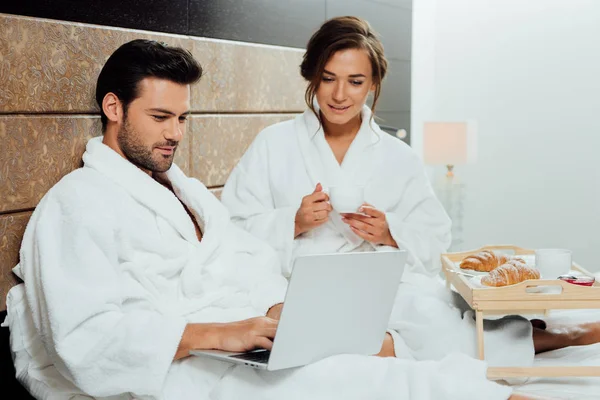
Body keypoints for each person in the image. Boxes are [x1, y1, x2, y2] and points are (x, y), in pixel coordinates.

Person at [4, 39, 535, 400]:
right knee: (356, 379)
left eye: (183, 118)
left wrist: (275, 306)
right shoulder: (76, 204)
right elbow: (84, 341)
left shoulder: (181, 189)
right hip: (179, 363)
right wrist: (219, 332)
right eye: (160, 118)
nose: (176, 134)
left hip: (242, 332)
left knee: (397, 353)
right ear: (113, 108)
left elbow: (242, 254)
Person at [221, 16, 600, 373]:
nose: (339, 94)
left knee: (435, 324)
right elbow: (228, 230)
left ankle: (550, 335)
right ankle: (389, 345)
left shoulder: (397, 156)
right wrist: (293, 221)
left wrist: (389, 232)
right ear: (312, 78)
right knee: (310, 329)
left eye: (355, 81)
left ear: (372, 84)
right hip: (294, 282)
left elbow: (436, 236)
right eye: (328, 78)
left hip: (381, 283)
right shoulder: (273, 144)